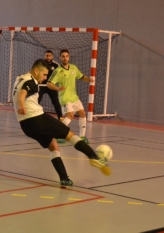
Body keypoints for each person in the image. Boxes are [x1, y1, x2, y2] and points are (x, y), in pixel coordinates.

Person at [12, 59, 110, 188]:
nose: (45, 78)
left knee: (53, 145)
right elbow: (23, 93)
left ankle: (64, 179)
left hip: (26, 126)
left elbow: (21, 91)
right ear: (36, 71)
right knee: (70, 135)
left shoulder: (20, 78)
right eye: (44, 75)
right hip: (37, 119)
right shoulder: (32, 82)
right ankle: (94, 157)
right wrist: (22, 104)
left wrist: (21, 105)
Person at [47, 49, 94, 144]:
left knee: (82, 114)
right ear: (60, 58)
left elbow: (81, 77)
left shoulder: (73, 68)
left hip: (74, 97)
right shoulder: (58, 71)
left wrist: (89, 80)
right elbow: (49, 84)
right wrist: (57, 88)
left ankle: (82, 137)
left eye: (66, 56)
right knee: (70, 115)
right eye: (63, 56)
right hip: (65, 98)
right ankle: (57, 134)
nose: (65, 58)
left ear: (69, 57)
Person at [38, 50, 63, 120]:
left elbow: (60, 75)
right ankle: (33, 117)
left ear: (52, 56)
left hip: (51, 86)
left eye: (49, 55)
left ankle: (60, 118)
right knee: (36, 101)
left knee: (56, 102)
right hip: (41, 86)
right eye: (46, 55)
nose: (48, 57)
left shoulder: (56, 65)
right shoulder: (40, 64)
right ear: (44, 56)